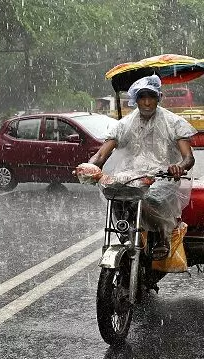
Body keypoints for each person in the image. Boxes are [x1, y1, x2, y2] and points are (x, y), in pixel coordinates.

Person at [75, 75, 196, 258]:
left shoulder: (174, 123)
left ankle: (162, 234)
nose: (147, 102)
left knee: (151, 197)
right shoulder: (124, 125)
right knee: (115, 192)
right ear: (135, 100)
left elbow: (188, 157)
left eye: (151, 97)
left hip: (162, 177)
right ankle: (126, 232)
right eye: (142, 97)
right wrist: (89, 167)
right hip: (131, 176)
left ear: (159, 98)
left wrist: (178, 167)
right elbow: (101, 154)